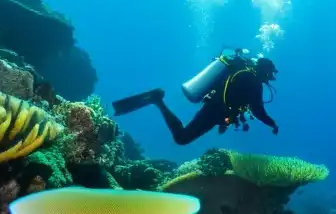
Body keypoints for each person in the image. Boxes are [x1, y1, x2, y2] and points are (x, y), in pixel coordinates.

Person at [112, 50, 279, 145]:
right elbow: (257, 110)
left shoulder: (245, 75)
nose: (270, 78)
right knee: (182, 138)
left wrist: (225, 122)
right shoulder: (253, 81)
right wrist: (272, 123)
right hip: (215, 111)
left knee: (183, 137)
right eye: (270, 74)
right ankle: (157, 100)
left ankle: (157, 101)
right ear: (264, 70)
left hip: (214, 109)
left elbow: (237, 101)